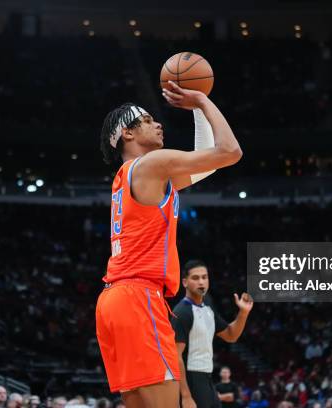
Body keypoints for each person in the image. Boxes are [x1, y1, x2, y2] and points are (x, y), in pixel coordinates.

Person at [95, 80, 242, 408]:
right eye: (146, 120)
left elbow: (208, 165)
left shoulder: (133, 174)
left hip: (114, 300)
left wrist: (197, 114)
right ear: (128, 134)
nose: (157, 123)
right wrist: (202, 100)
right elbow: (230, 152)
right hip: (138, 299)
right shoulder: (151, 165)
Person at [171, 260, 253, 408]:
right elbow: (174, 356)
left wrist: (243, 313)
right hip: (191, 381)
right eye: (195, 278)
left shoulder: (207, 306)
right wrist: (186, 396)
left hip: (208, 379)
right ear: (185, 282)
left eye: (204, 277)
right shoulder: (181, 313)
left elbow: (230, 335)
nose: (201, 282)